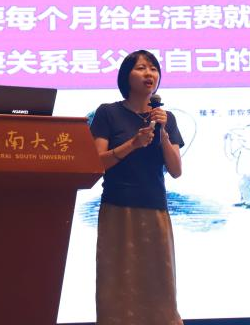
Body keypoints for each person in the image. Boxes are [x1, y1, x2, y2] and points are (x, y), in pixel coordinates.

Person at [90, 50, 185, 325]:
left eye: (153, 69)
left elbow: (176, 170)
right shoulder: (108, 113)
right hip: (117, 208)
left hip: (155, 208)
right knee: (117, 282)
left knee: (158, 284)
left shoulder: (166, 118)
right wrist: (132, 144)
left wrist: (163, 134)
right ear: (126, 76)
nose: (149, 74)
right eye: (141, 68)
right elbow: (97, 163)